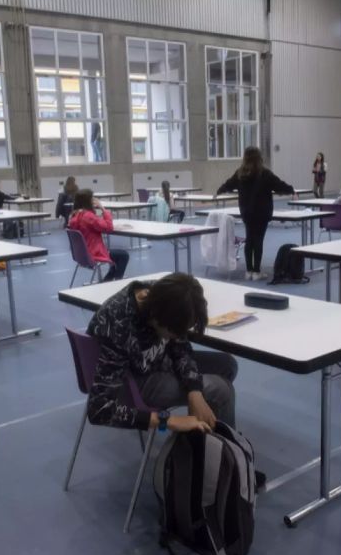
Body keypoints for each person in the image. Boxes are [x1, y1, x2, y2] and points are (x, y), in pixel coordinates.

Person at [86, 273, 237, 436]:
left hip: (155, 362)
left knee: (227, 365)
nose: (178, 335)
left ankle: (203, 440)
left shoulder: (164, 296)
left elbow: (180, 348)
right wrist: (167, 421)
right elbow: (98, 410)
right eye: (174, 332)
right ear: (156, 318)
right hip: (133, 383)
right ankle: (222, 454)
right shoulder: (118, 325)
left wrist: (194, 390)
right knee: (220, 390)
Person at [216, 146, 295, 281]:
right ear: (259, 158)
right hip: (262, 212)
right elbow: (279, 185)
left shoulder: (240, 173)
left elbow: (228, 184)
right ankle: (256, 271)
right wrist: (291, 190)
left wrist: (219, 191)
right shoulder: (264, 173)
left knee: (250, 240)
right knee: (258, 241)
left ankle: (249, 271)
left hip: (247, 212)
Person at [67, 189, 129, 282]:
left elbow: (93, 226)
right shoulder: (88, 216)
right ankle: (116, 282)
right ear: (88, 201)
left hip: (81, 255)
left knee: (116, 257)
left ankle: (107, 280)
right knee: (123, 255)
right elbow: (108, 228)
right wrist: (102, 208)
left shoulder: (73, 216)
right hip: (94, 253)